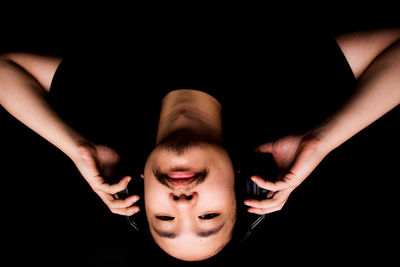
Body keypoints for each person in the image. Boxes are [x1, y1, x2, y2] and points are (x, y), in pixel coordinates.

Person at [1, 27, 399, 263]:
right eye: (209, 217)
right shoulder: (287, 85)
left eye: (164, 220)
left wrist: (75, 147)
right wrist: (321, 141)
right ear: (239, 184)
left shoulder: (101, 99)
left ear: (141, 187)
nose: (183, 204)